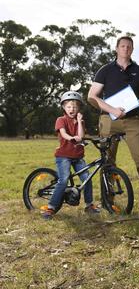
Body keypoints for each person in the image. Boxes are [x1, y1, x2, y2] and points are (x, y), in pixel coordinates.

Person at [87, 36, 139, 209]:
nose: (126, 49)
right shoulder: (105, 70)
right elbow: (92, 97)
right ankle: (108, 201)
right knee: (107, 162)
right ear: (116, 48)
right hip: (108, 120)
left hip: (133, 120)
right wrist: (112, 110)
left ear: (132, 49)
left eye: (129, 46)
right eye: (122, 46)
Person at [42, 91, 101, 220]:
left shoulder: (81, 121)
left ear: (79, 108)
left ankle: (89, 205)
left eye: (74, 107)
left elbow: (80, 136)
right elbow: (63, 133)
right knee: (63, 180)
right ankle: (51, 208)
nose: (72, 109)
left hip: (78, 156)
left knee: (87, 178)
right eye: (69, 106)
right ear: (64, 107)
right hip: (64, 155)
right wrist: (70, 138)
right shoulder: (61, 120)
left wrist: (79, 121)